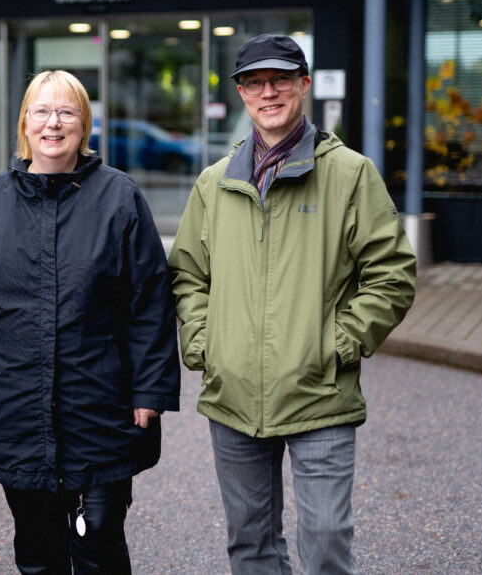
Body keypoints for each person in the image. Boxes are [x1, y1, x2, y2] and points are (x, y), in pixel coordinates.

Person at [168, 34, 416, 574]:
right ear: (240, 93)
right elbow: (188, 275)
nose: (268, 93)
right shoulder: (214, 183)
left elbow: (392, 274)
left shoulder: (350, 174)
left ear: (304, 85)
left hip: (318, 392)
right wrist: (207, 345)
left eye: (280, 79)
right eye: (254, 83)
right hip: (234, 396)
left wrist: (337, 344)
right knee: (250, 544)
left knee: (326, 543)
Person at [0, 70, 181, 574]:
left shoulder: (119, 198)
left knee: (99, 543)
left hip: (101, 408)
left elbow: (150, 302)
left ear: (83, 124)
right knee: (37, 550)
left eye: (67, 112)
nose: (54, 123)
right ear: (24, 123)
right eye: (42, 111)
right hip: (15, 409)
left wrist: (151, 390)